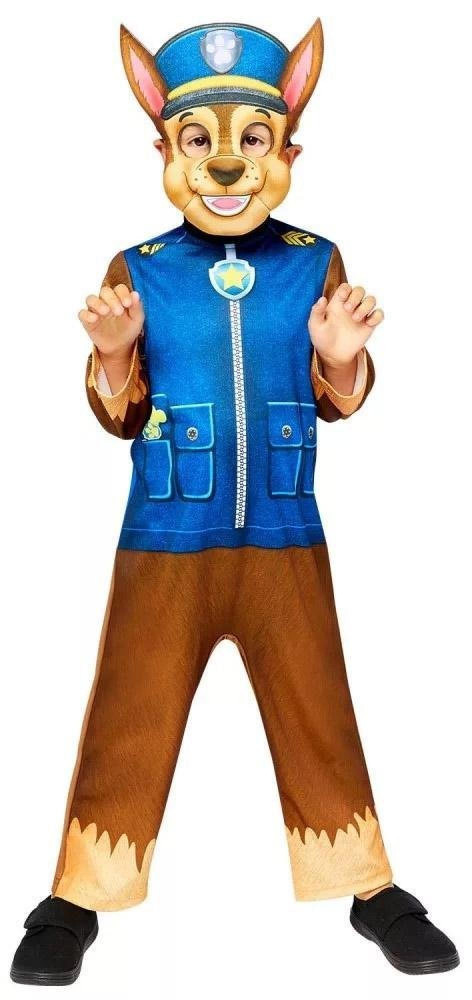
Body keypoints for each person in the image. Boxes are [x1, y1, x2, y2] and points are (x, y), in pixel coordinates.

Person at [11, 19, 459, 985]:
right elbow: (121, 414)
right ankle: (77, 894)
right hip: (165, 537)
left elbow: (340, 395)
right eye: (198, 141)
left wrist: (343, 361)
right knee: (129, 709)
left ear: (289, 150)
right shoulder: (138, 268)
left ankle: (367, 884)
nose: (226, 165)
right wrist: (112, 356)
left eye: (252, 139)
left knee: (318, 704)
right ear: (164, 153)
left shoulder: (314, 259)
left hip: (287, 535)